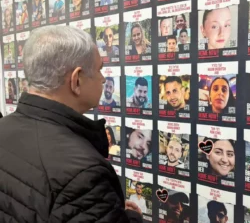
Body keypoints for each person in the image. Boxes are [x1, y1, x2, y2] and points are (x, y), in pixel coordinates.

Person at [0, 26, 143, 222]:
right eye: (99, 69)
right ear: (76, 81)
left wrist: (108, 209)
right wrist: (130, 217)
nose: (103, 79)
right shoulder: (84, 174)